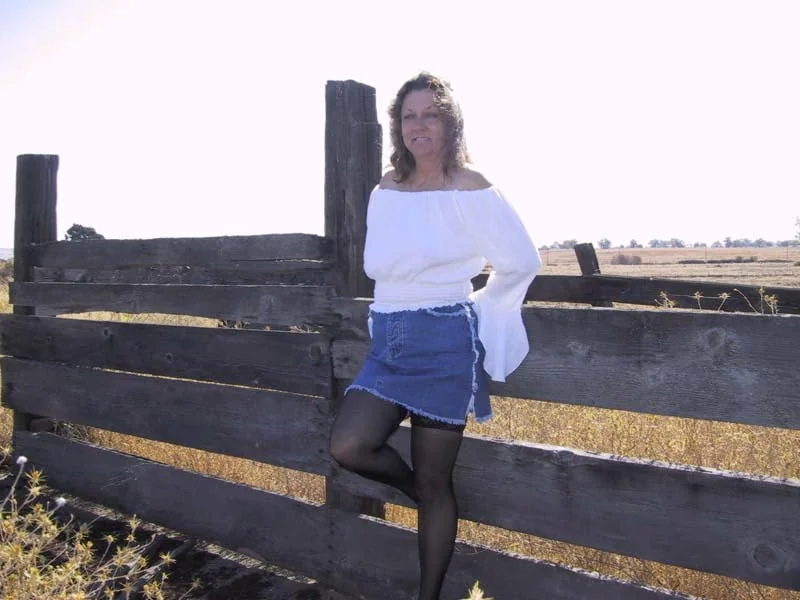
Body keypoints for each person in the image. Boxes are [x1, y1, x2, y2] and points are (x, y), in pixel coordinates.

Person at [329, 72, 541, 600]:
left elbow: (521, 261)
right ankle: (420, 494)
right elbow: (385, 269)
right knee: (350, 446)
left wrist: (482, 307)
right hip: (389, 343)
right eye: (409, 116)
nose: (418, 125)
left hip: (445, 343)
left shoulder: (470, 186)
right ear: (397, 126)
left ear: (450, 123)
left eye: (430, 114)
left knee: (435, 480)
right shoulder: (386, 188)